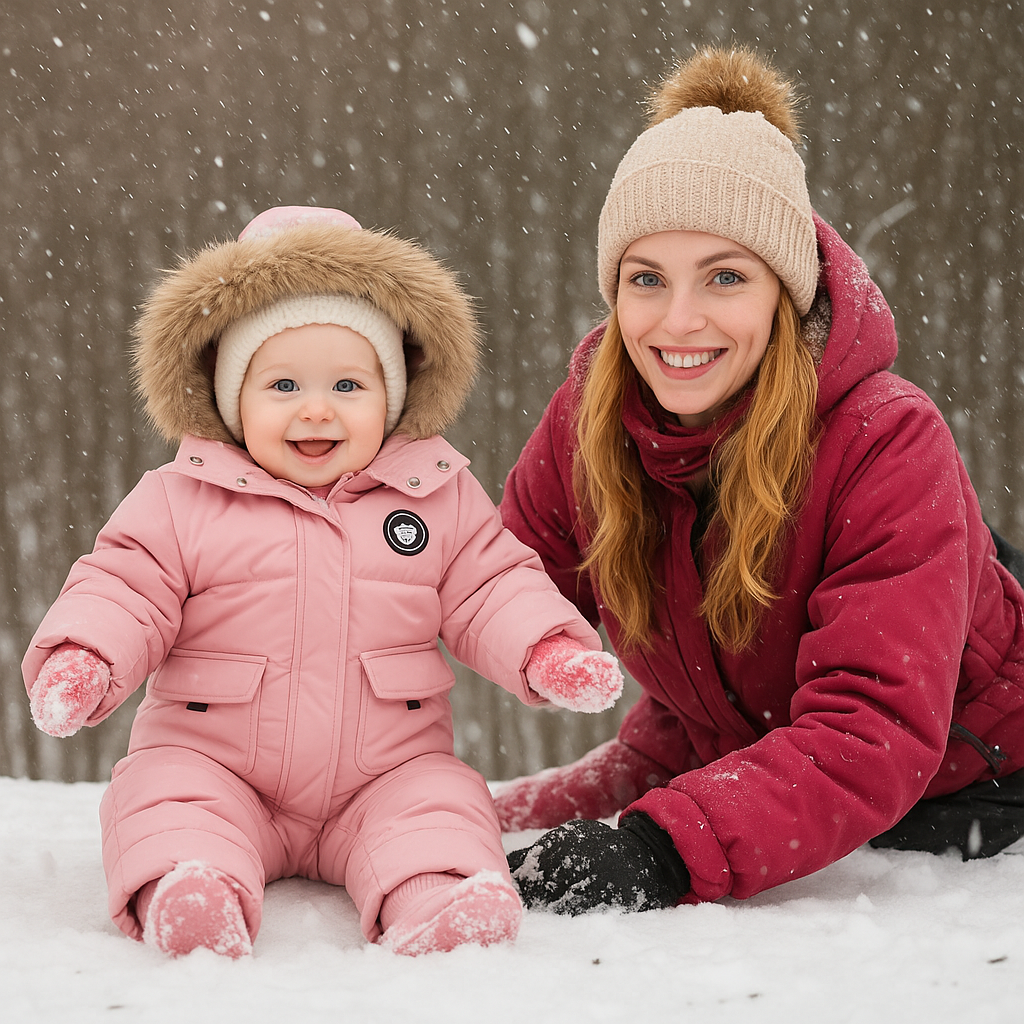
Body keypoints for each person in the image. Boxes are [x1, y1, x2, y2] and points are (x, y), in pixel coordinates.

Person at [495, 47, 1024, 916]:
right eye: (646, 279)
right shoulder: (590, 417)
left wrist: (660, 850)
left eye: (725, 277)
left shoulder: (886, 439)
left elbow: (870, 732)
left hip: (959, 778)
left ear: (786, 292)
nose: (679, 321)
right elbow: (491, 585)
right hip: (713, 742)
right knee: (485, 817)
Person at [22, 205, 624, 957]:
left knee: (439, 802)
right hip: (217, 760)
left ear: (394, 398)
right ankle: (188, 885)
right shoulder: (182, 497)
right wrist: (87, 657)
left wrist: (546, 649)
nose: (317, 409)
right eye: (281, 385)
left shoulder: (431, 493)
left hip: (385, 767)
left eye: (347, 384)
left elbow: (491, 584)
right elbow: (123, 586)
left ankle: (436, 895)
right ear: (231, 398)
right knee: (162, 796)